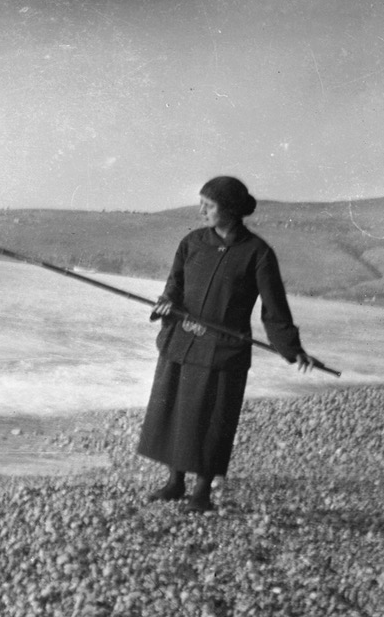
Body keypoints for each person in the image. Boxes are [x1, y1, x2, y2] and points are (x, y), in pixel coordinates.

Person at [136, 176, 321, 513]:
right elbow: (173, 287)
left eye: (209, 205)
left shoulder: (257, 253)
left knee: (212, 419)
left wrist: (292, 349)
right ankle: (175, 483)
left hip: (223, 351)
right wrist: (166, 304)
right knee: (176, 409)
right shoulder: (191, 242)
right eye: (201, 203)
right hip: (182, 342)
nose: (201, 210)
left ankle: (202, 492)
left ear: (231, 210)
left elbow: (274, 309)